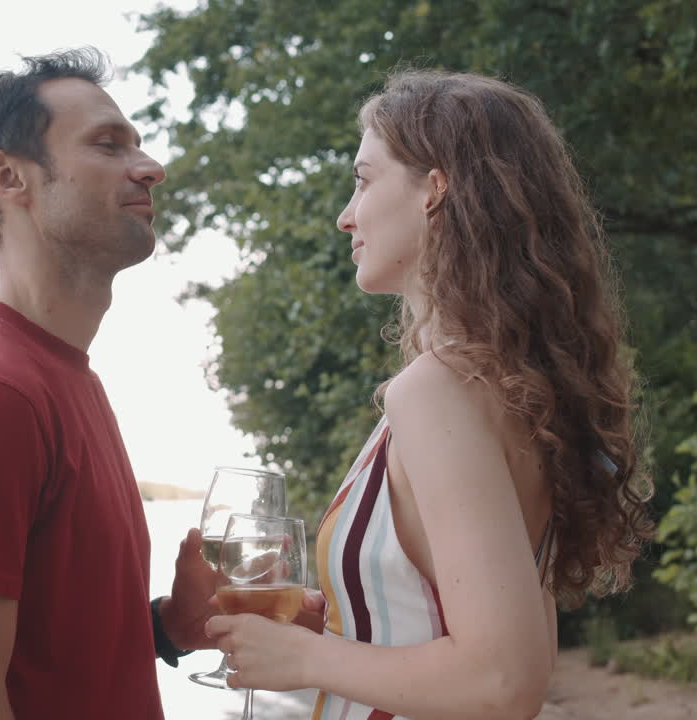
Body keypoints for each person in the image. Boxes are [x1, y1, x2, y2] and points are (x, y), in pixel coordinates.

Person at [206, 70, 654, 720]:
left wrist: (301, 660)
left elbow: (504, 681)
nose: (345, 214)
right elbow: (508, 642)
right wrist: (344, 628)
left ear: (434, 190)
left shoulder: (437, 391)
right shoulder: (505, 386)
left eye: (362, 180)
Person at [0, 48, 218, 720]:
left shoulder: (60, 378)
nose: (150, 168)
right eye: (108, 145)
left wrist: (170, 629)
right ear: (8, 176)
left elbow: (41, 659)